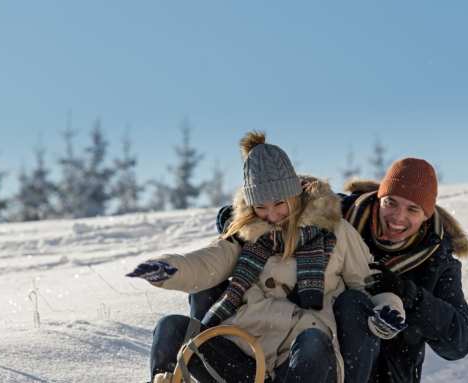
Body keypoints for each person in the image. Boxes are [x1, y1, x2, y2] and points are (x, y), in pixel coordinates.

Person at [128, 132, 405, 383]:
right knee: (172, 327)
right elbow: (207, 262)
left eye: (279, 204)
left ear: (294, 196)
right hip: (246, 350)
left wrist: (388, 308)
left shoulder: (335, 231)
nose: (271, 216)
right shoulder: (245, 233)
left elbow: (370, 284)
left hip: (307, 355)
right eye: (261, 207)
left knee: (312, 342)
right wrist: (169, 268)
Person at [209, 157, 468, 383]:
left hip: (384, 373)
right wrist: (240, 220)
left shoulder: (436, 262)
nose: (398, 217)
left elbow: (459, 342)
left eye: (413, 209)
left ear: (427, 215)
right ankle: (201, 353)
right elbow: (287, 196)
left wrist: (410, 296)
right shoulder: (339, 214)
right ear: (380, 197)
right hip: (303, 346)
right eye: (391, 202)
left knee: (355, 302)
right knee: (213, 282)